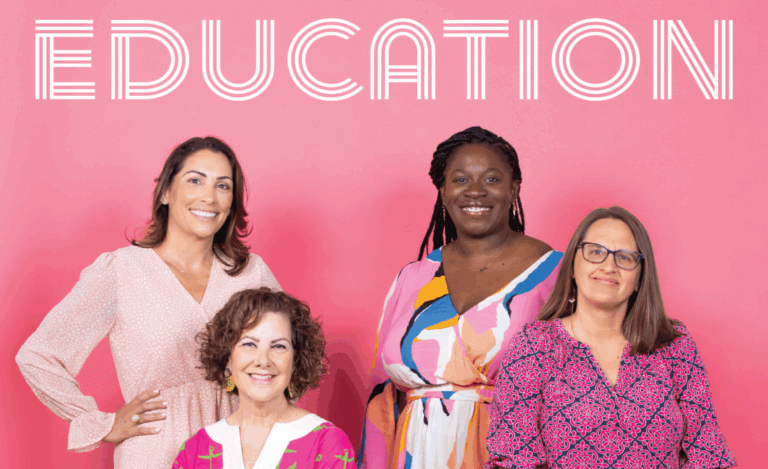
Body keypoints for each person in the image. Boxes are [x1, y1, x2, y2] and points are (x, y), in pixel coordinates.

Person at [16, 137, 281, 469]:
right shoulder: (121, 272)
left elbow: (289, 358)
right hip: (158, 451)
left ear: (232, 201)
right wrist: (102, 424)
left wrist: (247, 394)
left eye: (223, 186)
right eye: (195, 180)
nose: (209, 197)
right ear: (166, 192)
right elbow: (38, 355)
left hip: (243, 445)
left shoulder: (251, 274)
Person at [358, 126, 562, 469]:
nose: (475, 192)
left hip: (510, 458)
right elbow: (383, 399)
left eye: (492, 180)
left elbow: (579, 388)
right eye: (461, 179)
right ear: (443, 189)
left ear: (514, 189)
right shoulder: (412, 277)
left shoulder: (555, 274)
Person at [486, 206, 736, 469]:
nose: (608, 266)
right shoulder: (535, 346)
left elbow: (708, 454)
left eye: (625, 257)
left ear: (640, 276)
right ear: (572, 265)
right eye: (595, 252)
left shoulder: (675, 346)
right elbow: (512, 458)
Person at [172, 287, 355, 468]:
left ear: (296, 361)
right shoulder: (195, 450)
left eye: (278, 347)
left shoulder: (327, 444)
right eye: (249, 344)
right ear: (227, 358)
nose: (263, 360)